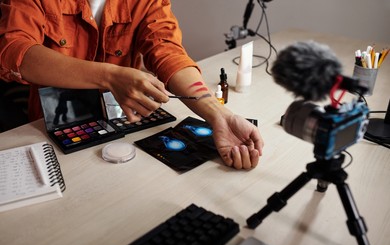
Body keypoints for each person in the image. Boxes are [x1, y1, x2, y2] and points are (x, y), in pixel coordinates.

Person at [0, 0, 264, 169]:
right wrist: (110, 76)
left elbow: (168, 52)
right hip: (54, 132)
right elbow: (14, 51)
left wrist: (219, 115)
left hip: (124, 125)